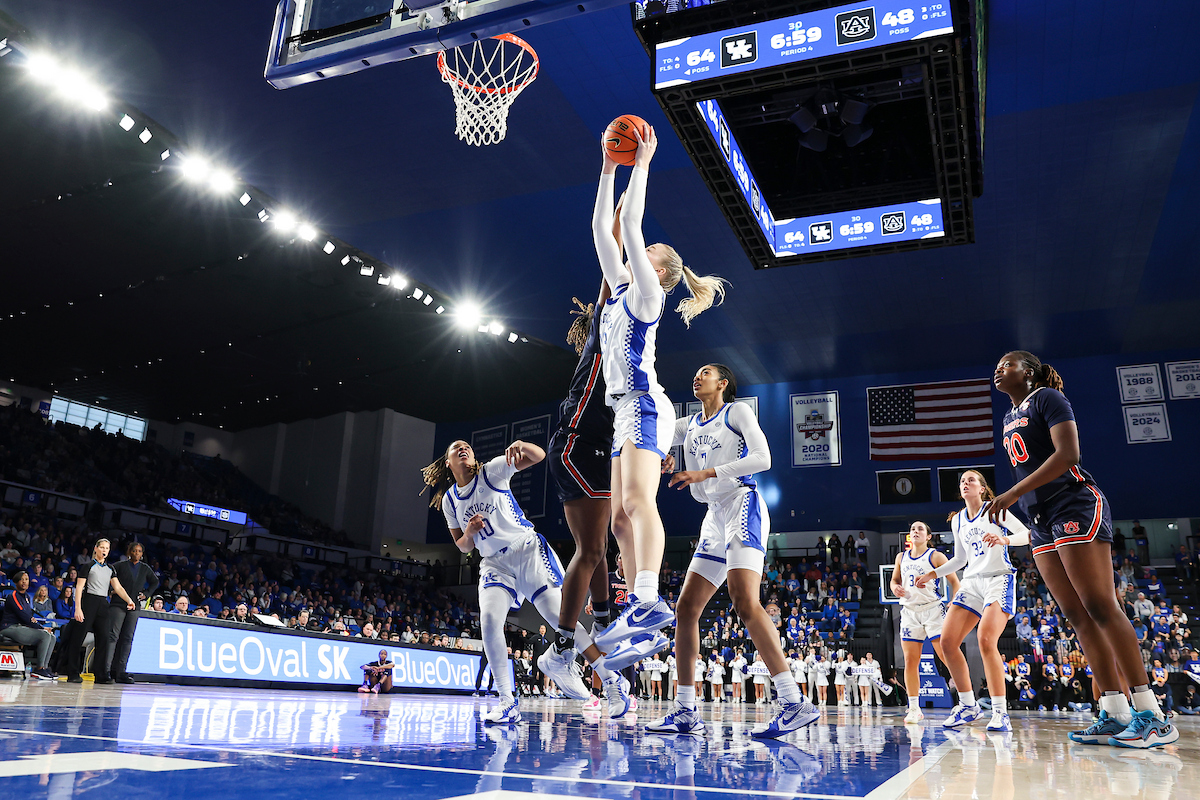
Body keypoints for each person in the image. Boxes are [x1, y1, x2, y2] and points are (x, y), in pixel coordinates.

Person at [990, 351, 1177, 748]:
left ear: (1029, 371)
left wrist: (1012, 494)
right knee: (1075, 614)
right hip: (1039, 518)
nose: (999, 369)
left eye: (1007, 364)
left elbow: (1068, 456)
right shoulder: (1009, 416)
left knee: (1100, 605)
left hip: (1073, 502)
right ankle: (1114, 711)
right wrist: (1023, 504)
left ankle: (1152, 714)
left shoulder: (1047, 399)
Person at [590, 123, 728, 659]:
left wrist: (641, 162)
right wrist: (607, 168)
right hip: (624, 411)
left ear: (661, 269)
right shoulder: (623, 287)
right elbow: (605, 228)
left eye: (646, 250)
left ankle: (650, 600)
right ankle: (639, 607)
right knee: (618, 517)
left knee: (635, 501)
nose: (635, 249)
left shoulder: (650, 295)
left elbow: (627, 220)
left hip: (646, 405)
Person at [644, 364, 816, 738]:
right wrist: (663, 458)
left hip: (742, 502)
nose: (697, 376)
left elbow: (763, 458)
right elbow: (653, 437)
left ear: (722, 384)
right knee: (686, 608)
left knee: (743, 600)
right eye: (696, 372)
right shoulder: (686, 424)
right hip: (713, 515)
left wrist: (703, 473)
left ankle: (793, 701)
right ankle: (686, 709)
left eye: (705, 372)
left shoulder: (736, 412)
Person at [422, 439, 614, 724]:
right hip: (493, 564)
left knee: (557, 615)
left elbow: (538, 456)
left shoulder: (491, 471)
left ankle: (609, 678)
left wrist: (523, 444)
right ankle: (507, 701)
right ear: (448, 462)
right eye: (456, 447)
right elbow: (462, 547)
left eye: (467, 446)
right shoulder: (450, 500)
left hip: (524, 549)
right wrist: (471, 531)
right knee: (488, 622)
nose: (463, 448)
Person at [544, 277, 640, 712]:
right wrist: (618, 228)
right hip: (575, 446)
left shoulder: (628, 364)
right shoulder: (602, 338)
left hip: (599, 454)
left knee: (599, 551)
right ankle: (561, 649)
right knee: (591, 549)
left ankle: (601, 628)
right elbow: (608, 278)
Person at [892, 520, 961, 723]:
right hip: (910, 612)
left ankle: (965, 701)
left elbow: (955, 582)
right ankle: (914, 708)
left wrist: (954, 603)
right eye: (912, 528)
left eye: (920, 529)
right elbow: (894, 580)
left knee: (945, 655)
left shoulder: (936, 556)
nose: (915, 531)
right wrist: (895, 587)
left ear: (928, 536)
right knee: (910, 661)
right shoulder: (900, 557)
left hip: (933, 610)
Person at [61, 539, 136, 683]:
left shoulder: (110, 569)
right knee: (78, 638)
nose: (104, 550)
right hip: (89, 601)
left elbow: (118, 588)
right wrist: (78, 608)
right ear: (95, 548)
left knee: (104, 639)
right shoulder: (87, 566)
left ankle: (101, 675)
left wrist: (129, 600)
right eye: (102, 547)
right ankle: (73, 673)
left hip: (103, 603)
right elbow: (79, 588)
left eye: (107, 548)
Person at [107, 541, 159, 684]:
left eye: (139, 551)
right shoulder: (119, 565)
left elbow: (155, 582)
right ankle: (107, 670)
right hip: (118, 604)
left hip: (134, 606)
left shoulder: (145, 568)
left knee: (128, 638)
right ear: (129, 552)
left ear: (142, 554)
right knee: (113, 636)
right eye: (134, 551)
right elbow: (108, 577)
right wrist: (109, 591)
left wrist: (146, 594)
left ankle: (121, 671)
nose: (137, 553)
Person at [0, 571, 56, 679]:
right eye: (22, 579)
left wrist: (37, 624)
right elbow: (23, 615)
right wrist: (41, 627)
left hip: (21, 627)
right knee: (44, 635)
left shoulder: (26, 597)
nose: (24, 582)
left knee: (52, 637)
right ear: (16, 582)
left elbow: (29, 616)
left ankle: (44, 668)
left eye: (26, 579)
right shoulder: (13, 596)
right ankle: (38, 669)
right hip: (9, 627)